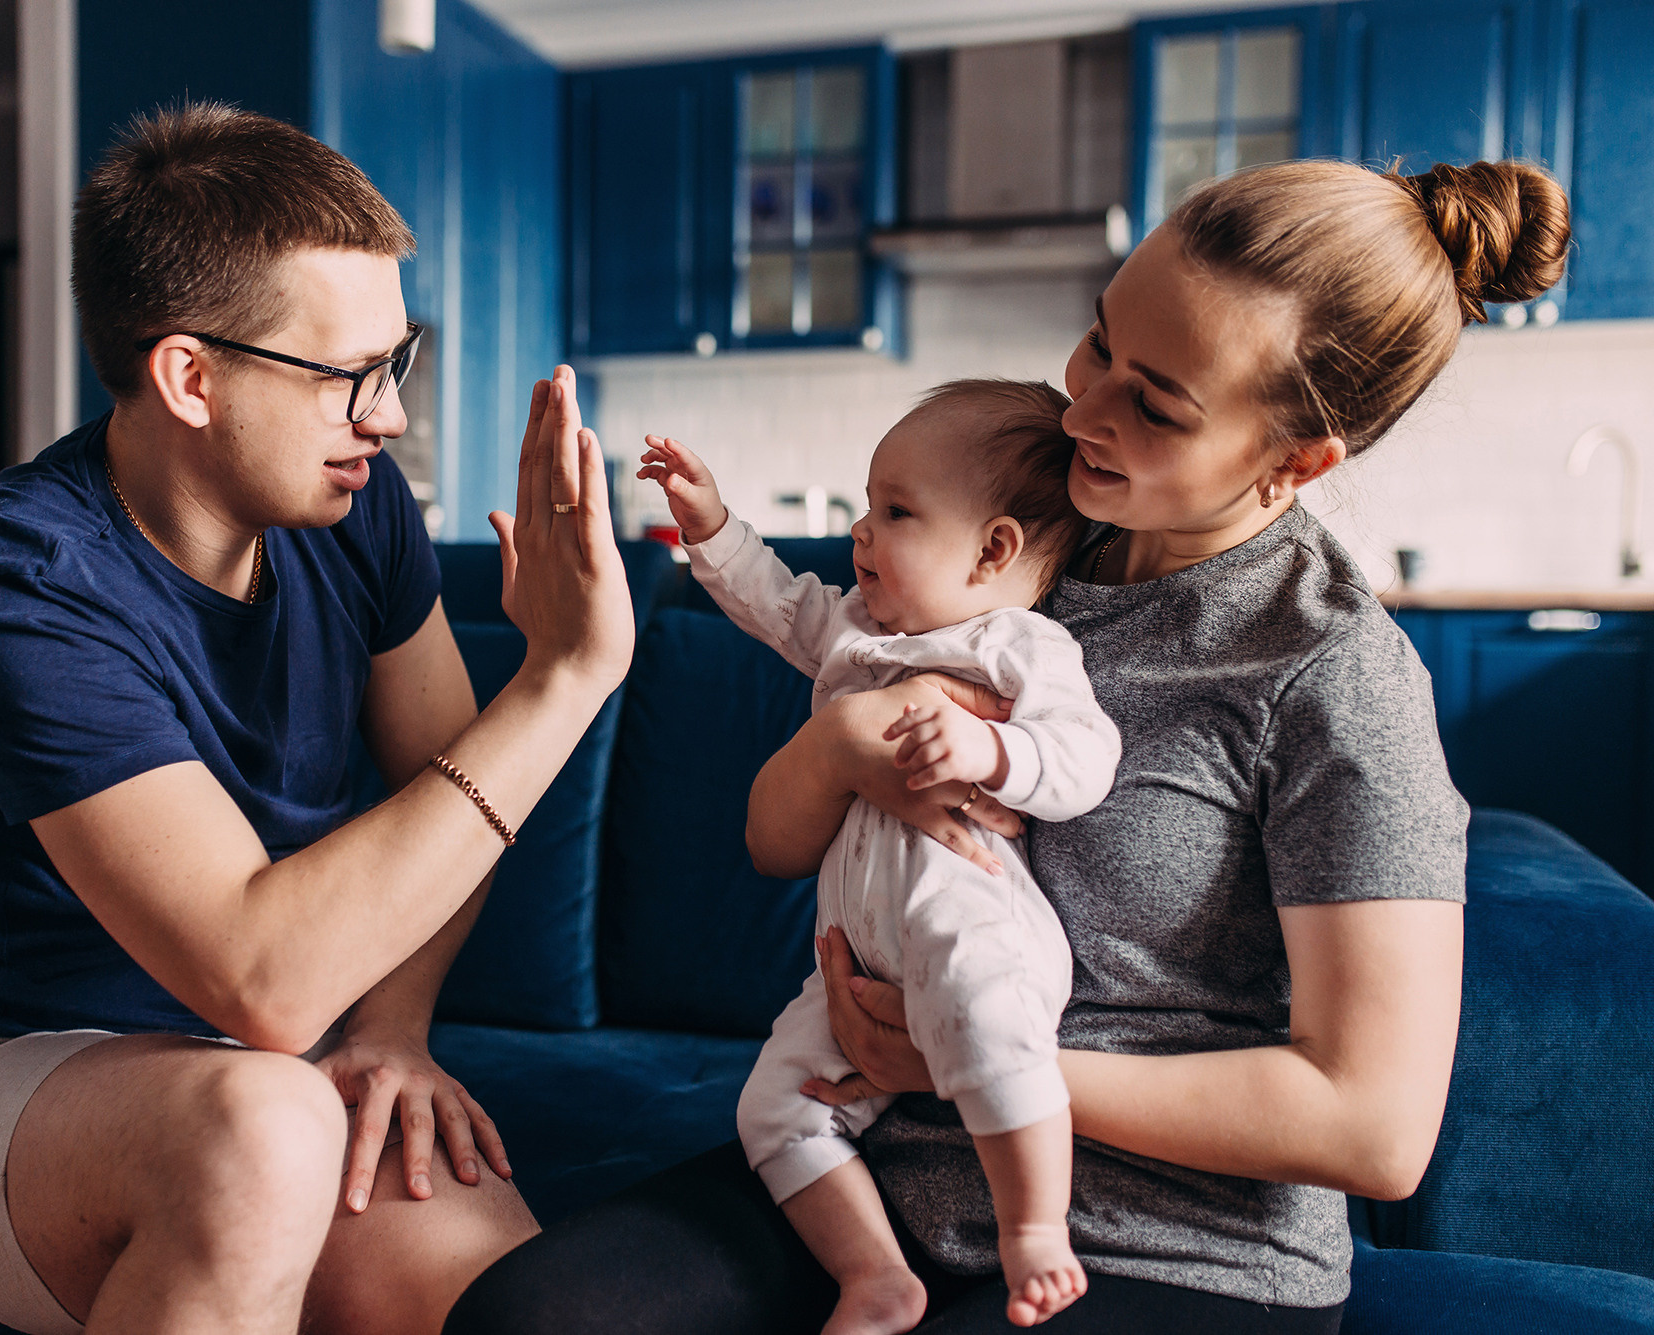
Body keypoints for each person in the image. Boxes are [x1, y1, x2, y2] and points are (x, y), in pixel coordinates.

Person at [446, 157, 1570, 1335]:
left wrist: (966, 1059)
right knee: (524, 1320)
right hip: (873, 1165)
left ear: (1294, 463)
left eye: (1155, 406)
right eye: (1098, 343)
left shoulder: (1326, 672)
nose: (1082, 412)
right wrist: (837, 743)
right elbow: (776, 835)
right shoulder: (1001, 532)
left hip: (1169, 1248)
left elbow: (1371, 1126)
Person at [0, 103, 636, 1335]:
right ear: (190, 377)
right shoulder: (14, 581)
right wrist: (565, 675)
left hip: (284, 1069)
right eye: (346, 377)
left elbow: (440, 798)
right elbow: (260, 980)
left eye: (395, 362)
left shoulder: (357, 507)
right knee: (265, 1128)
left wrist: (393, 1029)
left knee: (523, 1313)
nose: (388, 416)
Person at [636, 380, 1120, 1331]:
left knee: (993, 1021)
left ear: (993, 550)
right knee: (773, 1106)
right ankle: (876, 1276)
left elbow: (1085, 757)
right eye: (867, 503)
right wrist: (711, 526)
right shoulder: (858, 627)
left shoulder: (1019, 645)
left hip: (969, 919)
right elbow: (777, 604)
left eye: (896, 511)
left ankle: (1034, 1229)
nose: (861, 531)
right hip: (855, 957)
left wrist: (992, 750)